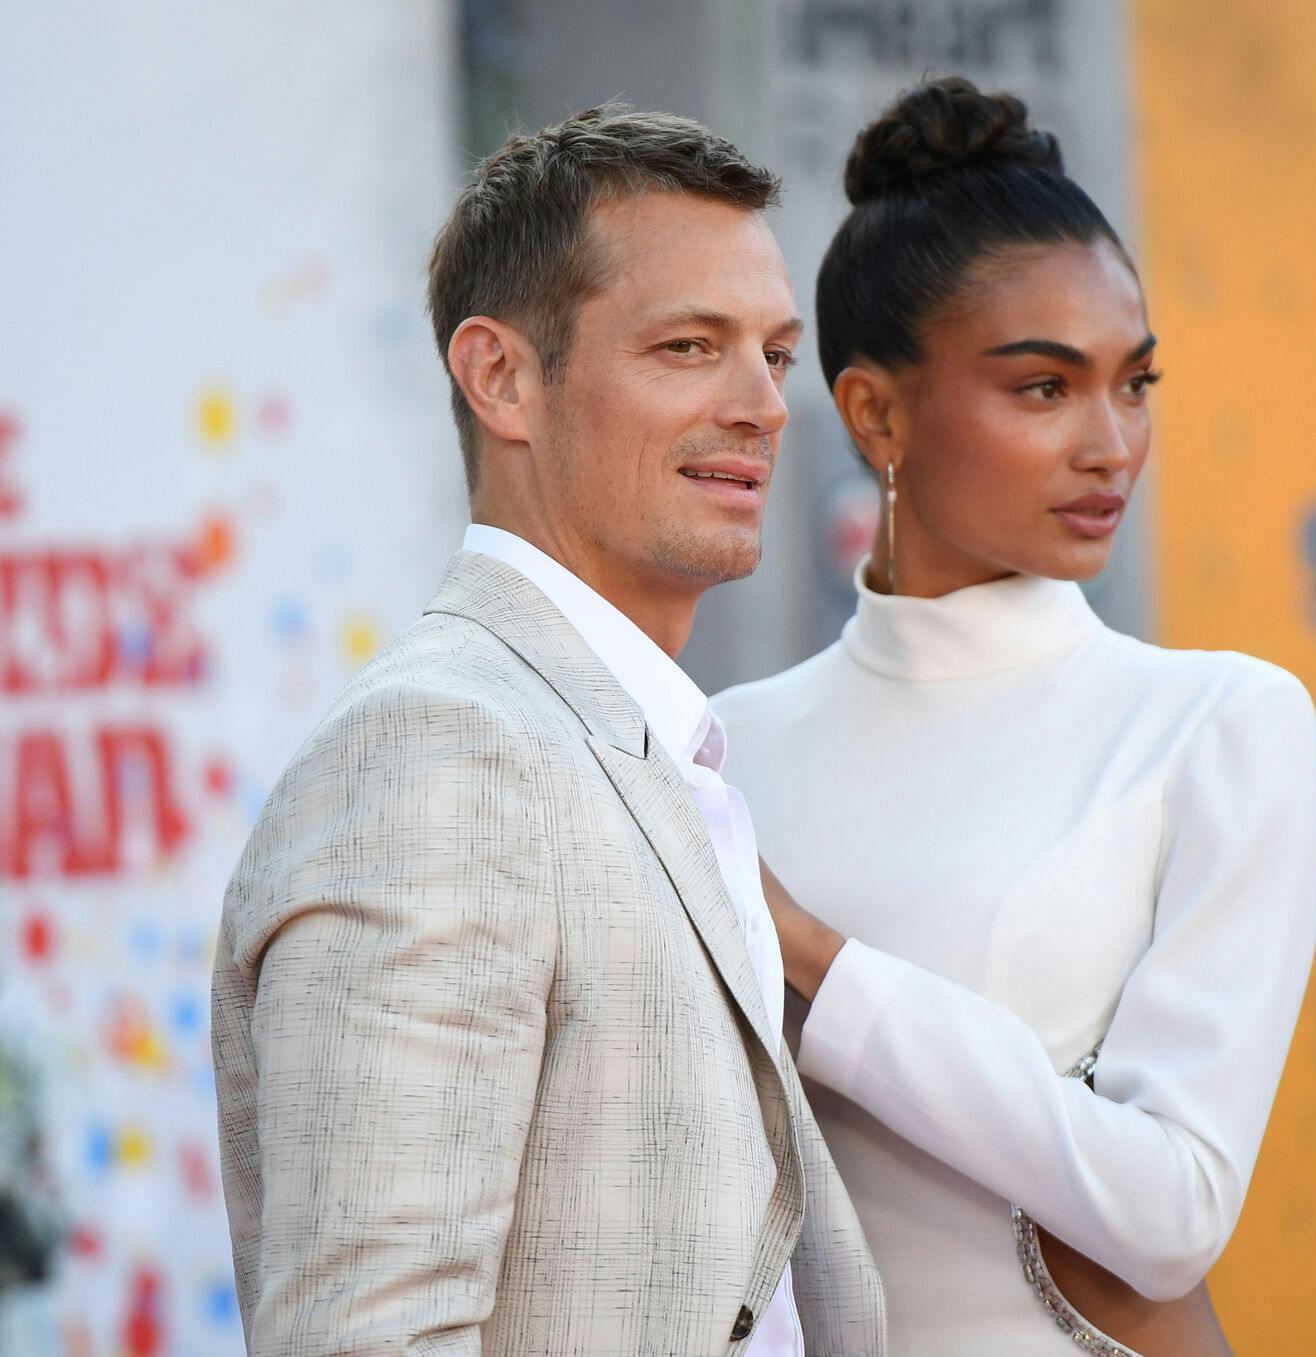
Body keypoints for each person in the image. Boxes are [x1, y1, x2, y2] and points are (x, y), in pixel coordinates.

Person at [210, 104, 885, 1355]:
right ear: (500, 376)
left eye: (776, 356)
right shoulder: (438, 755)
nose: (764, 406)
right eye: (690, 347)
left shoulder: (631, 748)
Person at [713, 77, 1316, 1355]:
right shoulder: (726, 746)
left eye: (1135, 383)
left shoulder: (1215, 726)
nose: (1111, 445)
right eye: (1045, 389)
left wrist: (817, 962)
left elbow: (1170, 1213)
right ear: (875, 413)